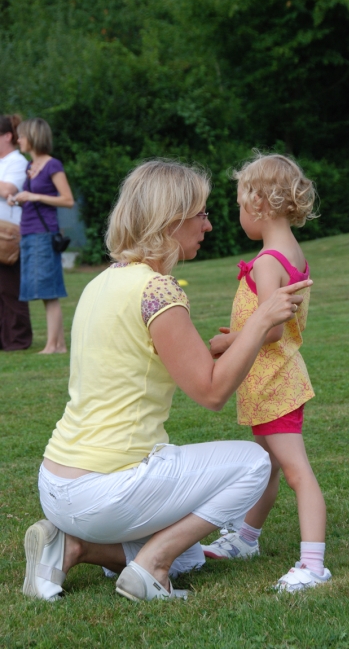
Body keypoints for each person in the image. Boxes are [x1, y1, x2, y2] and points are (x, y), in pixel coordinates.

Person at [22, 159, 313, 603]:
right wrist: (260, 323)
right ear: (171, 220)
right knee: (254, 463)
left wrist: (229, 342)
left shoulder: (101, 283)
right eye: (200, 214)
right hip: (106, 488)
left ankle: (73, 546)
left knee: (192, 557)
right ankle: (150, 567)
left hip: (58, 482)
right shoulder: (158, 291)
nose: (209, 225)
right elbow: (212, 392)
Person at [201, 153, 331, 593]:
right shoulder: (291, 251)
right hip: (276, 379)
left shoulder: (267, 261)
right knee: (268, 465)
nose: (238, 215)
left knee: (296, 471)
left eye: (239, 205)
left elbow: (272, 328)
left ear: (258, 203)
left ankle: (313, 564)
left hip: (274, 381)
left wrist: (226, 343)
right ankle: (247, 539)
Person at [7, 117, 74, 354]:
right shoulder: (29, 166)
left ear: (34, 137)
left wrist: (34, 197)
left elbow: (68, 200)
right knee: (44, 290)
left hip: (44, 235)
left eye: (23, 136)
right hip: (29, 232)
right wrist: (18, 198)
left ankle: (53, 345)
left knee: (48, 290)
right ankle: (59, 345)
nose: (19, 140)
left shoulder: (52, 165)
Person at [0, 114, 32, 350]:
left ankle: (17, 340)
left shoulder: (17, 162)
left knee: (10, 289)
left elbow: (9, 189)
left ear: (7, 136)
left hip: (8, 235)